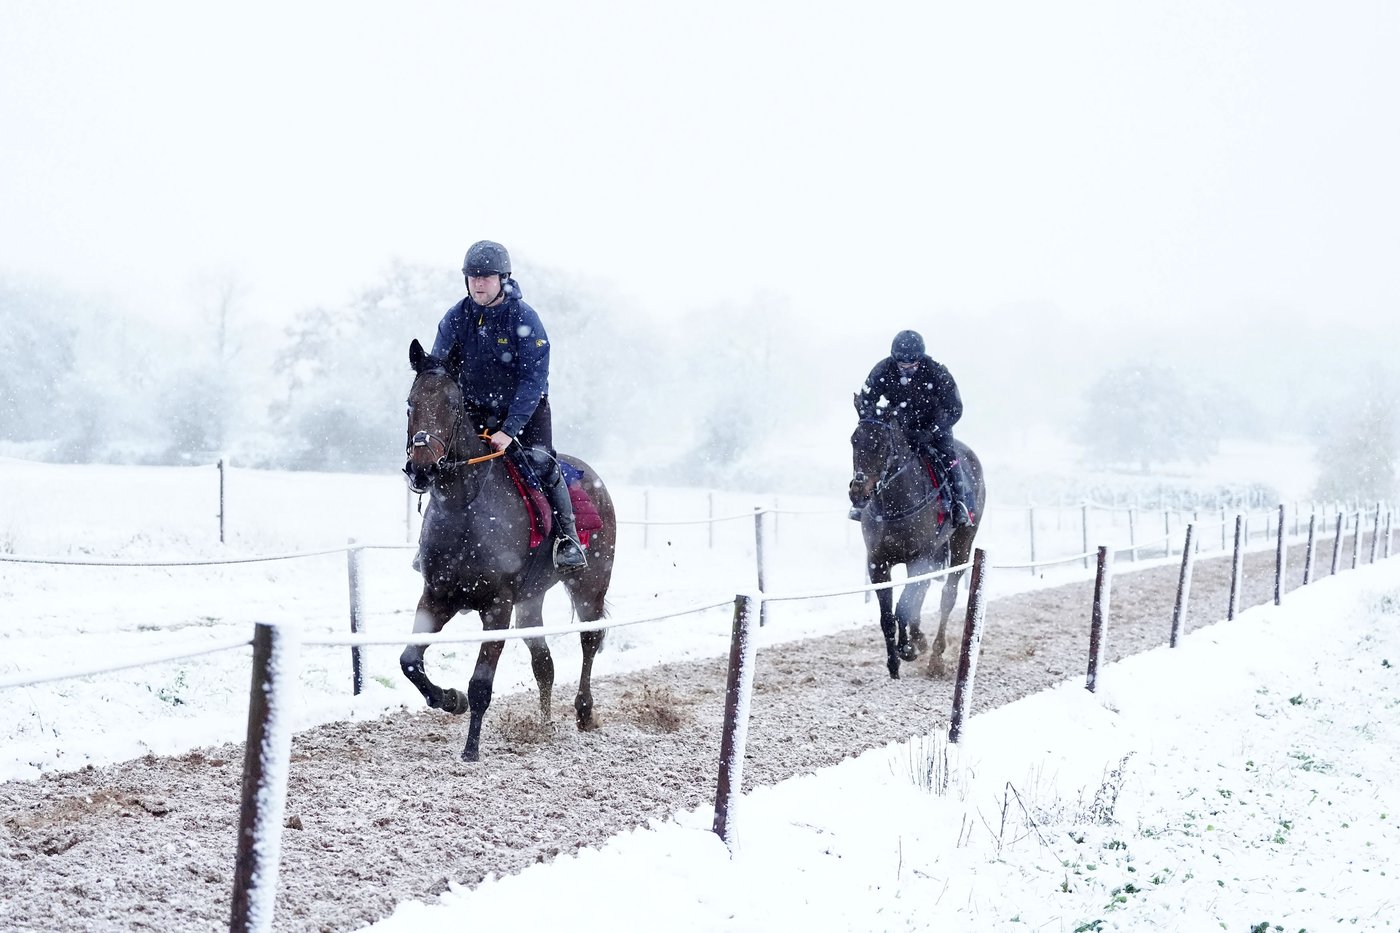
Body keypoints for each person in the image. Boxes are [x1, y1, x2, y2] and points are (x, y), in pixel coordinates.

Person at [429, 239, 588, 572]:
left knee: (541, 463)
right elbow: (439, 372)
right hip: (472, 412)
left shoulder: (524, 318)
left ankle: (566, 539)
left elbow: (533, 380)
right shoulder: (456, 317)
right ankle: (430, 544)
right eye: (473, 277)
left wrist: (509, 429)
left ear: (503, 278)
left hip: (525, 412)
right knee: (447, 465)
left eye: (486, 276)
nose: (479, 283)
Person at [852, 329, 974, 526]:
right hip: (899, 426)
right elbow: (866, 400)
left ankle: (958, 504)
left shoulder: (937, 371)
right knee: (872, 450)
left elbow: (954, 408)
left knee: (948, 456)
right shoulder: (882, 369)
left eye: (911, 367)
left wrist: (933, 431)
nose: (906, 371)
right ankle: (861, 501)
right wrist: (874, 419)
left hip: (933, 428)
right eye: (902, 366)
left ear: (920, 359)